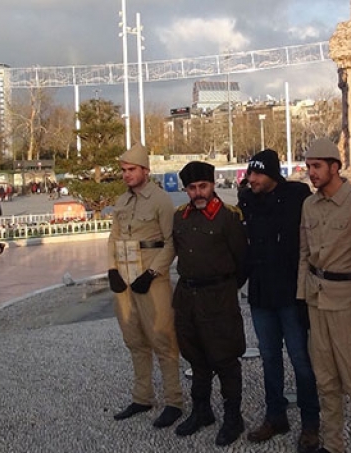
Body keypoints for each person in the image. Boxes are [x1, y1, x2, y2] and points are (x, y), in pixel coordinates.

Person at [297, 139, 351, 453]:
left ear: (335, 167)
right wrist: (300, 297)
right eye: (308, 167)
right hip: (317, 301)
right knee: (326, 382)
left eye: (317, 166)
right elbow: (304, 255)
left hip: (348, 303)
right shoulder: (309, 205)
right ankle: (333, 445)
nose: (311, 173)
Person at [237, 149, 320, 452]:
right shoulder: (247, 200)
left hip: (291, 294)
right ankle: (276, 416)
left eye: (257, 174)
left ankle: (311, 422)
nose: (252, 179)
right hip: (260, 294)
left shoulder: (297, 195)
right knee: (269, 359)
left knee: (301, 360)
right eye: (250, 173)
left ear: (272, 175)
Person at [172, 161, 248, 446]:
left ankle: (233, 418)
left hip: (218, 298)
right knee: (196, 357)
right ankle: (202, 410)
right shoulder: (180, 217)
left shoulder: (228, 217)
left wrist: (224, 288)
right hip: (187, 298)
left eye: (202, 186)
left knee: (226, 359)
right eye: (192, 188)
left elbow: (242, 261)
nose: (198, 193)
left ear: (212, 185)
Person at [107, 144, 183, 428]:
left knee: (163, 340)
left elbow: (171, 242)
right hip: (124, 278)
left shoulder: (161, 200)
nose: (126, 175)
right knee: (134, 340)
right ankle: (142, 397)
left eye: (131, 170)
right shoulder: (121, 202)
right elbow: (113, 238)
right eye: (124, 170)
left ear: (145, 171)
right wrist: (112, 269)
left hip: (151, 279)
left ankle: (174, 401)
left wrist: (152, 273)